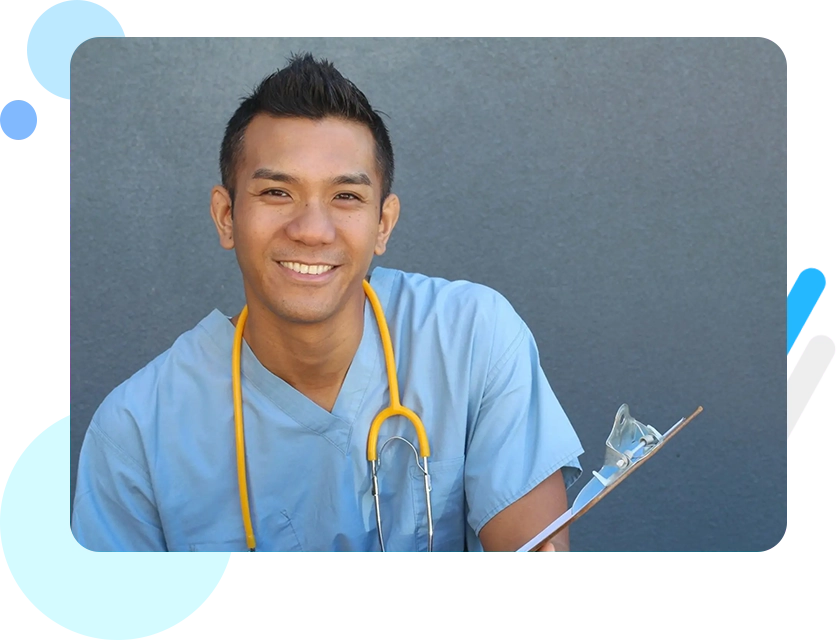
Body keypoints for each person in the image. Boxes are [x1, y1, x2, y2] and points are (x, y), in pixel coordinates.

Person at [71, 53, 584, 552]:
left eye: (345, 197)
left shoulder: (471, 340)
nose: (312, 231)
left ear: (383, 224)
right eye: (277, 193)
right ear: (227, 216)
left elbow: (539, 594)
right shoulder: (135, 432)